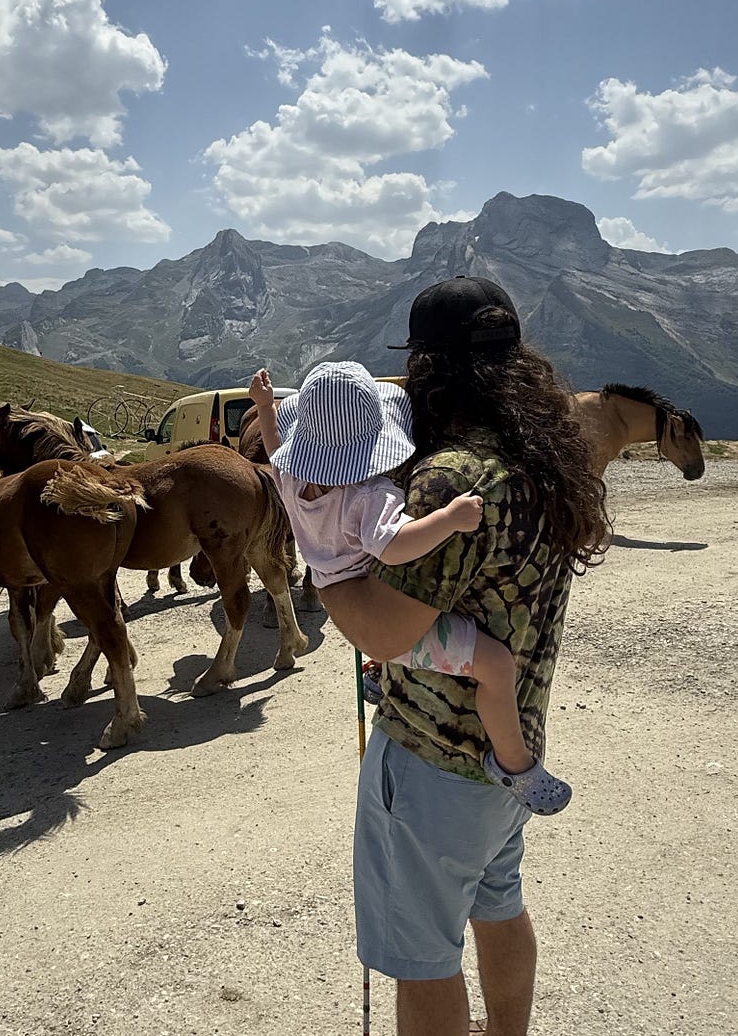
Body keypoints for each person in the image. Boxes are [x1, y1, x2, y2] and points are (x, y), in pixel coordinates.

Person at [320, 276, 610, 1036]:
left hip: (430, 763)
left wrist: (322, 565)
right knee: (500, 904)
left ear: (428, 368)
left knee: (424, 960)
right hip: (507, 756)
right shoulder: (547, 459)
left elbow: (382, 632)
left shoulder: (453, 476)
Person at [250, 363, 571, 815]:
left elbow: (273, 445)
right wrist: (450, 518)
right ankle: (514, 764)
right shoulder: (368, 496)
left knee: (415, 637)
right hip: (375, 600)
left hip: (331, 584)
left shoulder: (291, 480)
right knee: (496, 665)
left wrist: (264, 406)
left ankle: (380, 671)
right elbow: (395, 548)